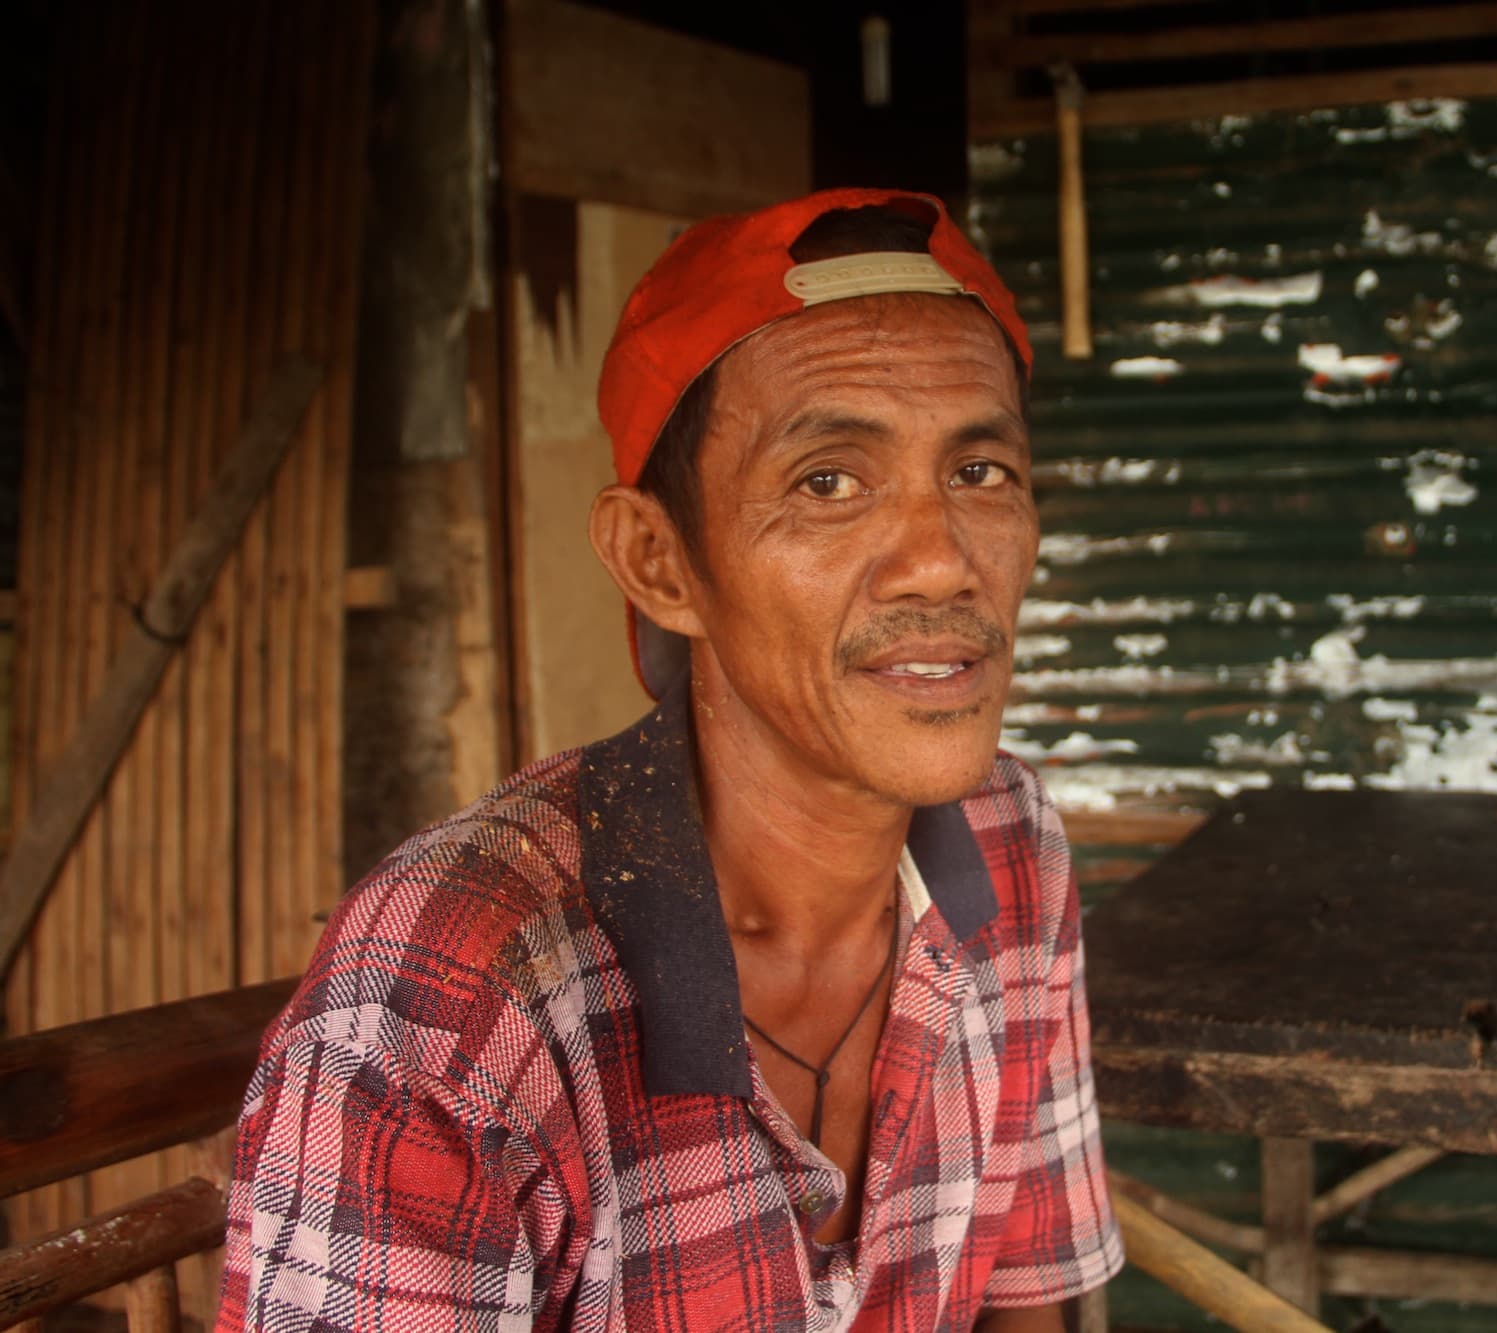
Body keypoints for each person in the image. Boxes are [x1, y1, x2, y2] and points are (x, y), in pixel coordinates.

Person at [212, 188, 1123, 1331]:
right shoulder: (448, 1004)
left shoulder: (1009, 843)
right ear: (658, 562)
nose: (941, 563)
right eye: (827, 481)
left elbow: (1018, 1305)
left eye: (979, 472)